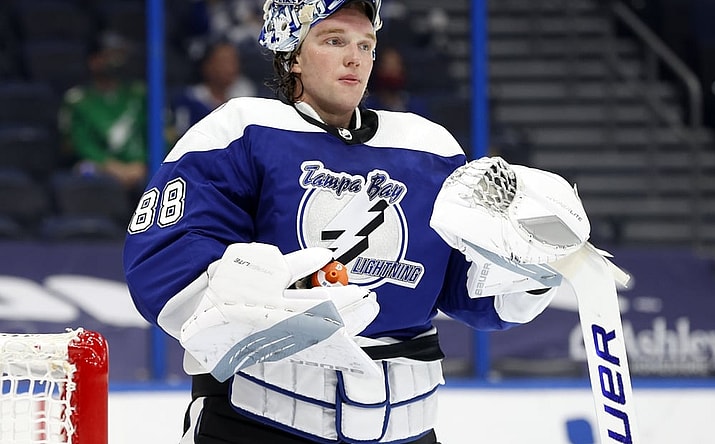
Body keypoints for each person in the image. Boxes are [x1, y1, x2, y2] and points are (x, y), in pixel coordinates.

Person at [123, 1, 613, 442]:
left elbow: (471, 295)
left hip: (406, 428)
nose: (355, 58)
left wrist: (529, 265)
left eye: (366, 44)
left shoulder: (429, 147)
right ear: (292, 54)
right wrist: (257, 293)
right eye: (334, 40)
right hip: (259, 424)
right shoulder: (243, 129)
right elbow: (163, 261)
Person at [59, 31, 147, 199]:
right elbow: (78, 142)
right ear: (94, 60)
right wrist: (111, 167)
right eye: (109, 55)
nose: (115, 60)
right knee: (84, 172)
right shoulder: (77, 100)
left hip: (140, 168)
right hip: (100, 168)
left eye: (119, 54)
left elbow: (159, 133)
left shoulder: (139, 94)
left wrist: (141, 165)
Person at [170, 40, 258, 138]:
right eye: (223, 62)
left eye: (233, 61)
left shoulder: (245, 95)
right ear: (207, 66)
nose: (229, 68)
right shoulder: (190, 99)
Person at [364, 45, 429, 117]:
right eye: (387, 66)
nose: (392, 71)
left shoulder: (415, 106)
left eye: (395, 65)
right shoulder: (367, 107)